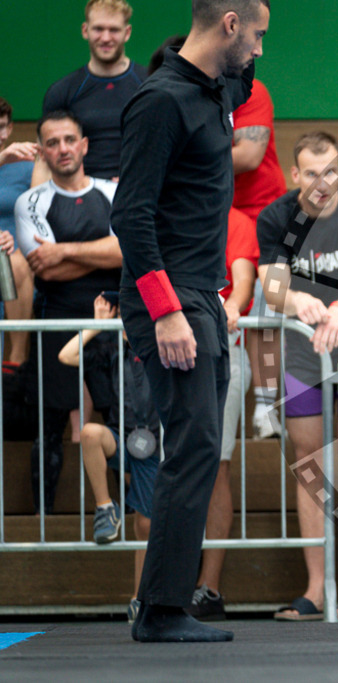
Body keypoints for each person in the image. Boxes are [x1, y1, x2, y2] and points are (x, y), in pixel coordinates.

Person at [110, 0, 268, 642]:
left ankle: (163, 605)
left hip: (204, 293)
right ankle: (162, 610)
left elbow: (243, 75)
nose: (261, 49)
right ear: (229, 24)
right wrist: (167, 310)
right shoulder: (161, 101)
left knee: (201, 447)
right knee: (195, 443)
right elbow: (131, 215)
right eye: (257, 34)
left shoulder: (215, 92)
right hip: (170, 298)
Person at [257, 131, 338, 621]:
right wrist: (298, 301)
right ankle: (317, 588)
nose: (321, 182)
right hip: (303, 349)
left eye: (330, 171)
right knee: (308, 459)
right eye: (311, 173)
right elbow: (274, 292)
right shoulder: (275, 217)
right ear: (296, 176)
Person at [14, 110, 122, 516]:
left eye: (69, 139)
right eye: (53, 143)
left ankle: (131, 520)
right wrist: (102, 253)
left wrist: (65, 249)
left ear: (84, 144)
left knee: (121, 422)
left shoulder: (113, 194)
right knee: (48, 426)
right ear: (42, 151)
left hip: (110, 320)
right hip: (56, 320)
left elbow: (127, 251)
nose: (63, 148)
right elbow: (45, 266)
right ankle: (41, 527)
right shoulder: (31, 201)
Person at [57, 292, 160, 624]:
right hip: (122, 438)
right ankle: (105, 509)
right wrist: (97, 325)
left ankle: (140, 597)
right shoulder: (109, 349)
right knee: (89, 433)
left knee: (145, 524)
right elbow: (66, 355)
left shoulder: (161, 346)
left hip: (156, 445)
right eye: (126, 315)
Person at [187, 206, 259, 621]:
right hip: (166, 345)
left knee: (216, 466)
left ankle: (208, 588)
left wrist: (231, 309)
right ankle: (167, 582)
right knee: (169, 465)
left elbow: (242, 281)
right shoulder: (164, 210)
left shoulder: (234, 220)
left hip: (220, 346)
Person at [230, 75, 287, 440]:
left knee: (268, 311)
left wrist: (185, 154)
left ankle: (266, 408)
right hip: (218, 216)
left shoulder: (251, 90)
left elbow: (249, 155)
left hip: (269, 217)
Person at [40, 0, 146, 181]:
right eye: (98, 29)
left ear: (127, 33)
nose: (105, 38)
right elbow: (43, 160)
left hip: (140, 195)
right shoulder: (62, 92)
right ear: (85, 30)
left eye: (114, 30)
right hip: (81, 199)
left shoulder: (149, 84)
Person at [0, 97, 37, 364]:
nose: (0, 135)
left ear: (10, 128)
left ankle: (16, 360)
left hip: (18, 259)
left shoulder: (25, 167)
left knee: (14, 262)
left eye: (3, 126)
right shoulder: (6, 158)